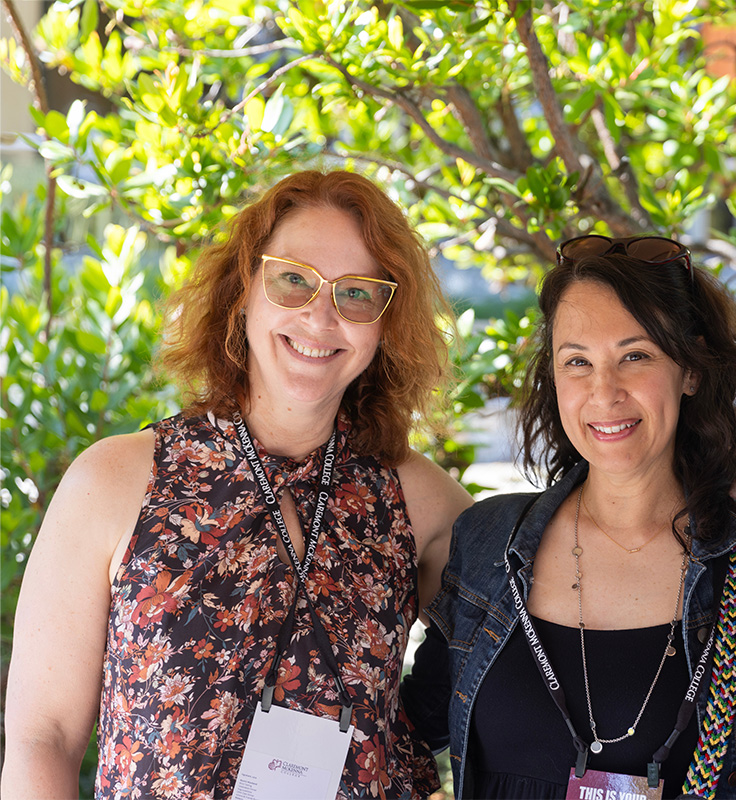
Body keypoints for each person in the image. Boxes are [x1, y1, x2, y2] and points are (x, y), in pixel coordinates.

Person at [1, 170, 473, 799]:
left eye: (358, 293)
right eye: (293, 279)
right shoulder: (114, 482)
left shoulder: (421, 502)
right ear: (243, 290)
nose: (321, 316)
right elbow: (45, 738)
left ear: (386, 325)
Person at [409, 236, 736, 798]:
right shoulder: (489, 543)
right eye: (577, 361)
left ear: (690, 370)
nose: (604, 391)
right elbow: (403, 734)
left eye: (635, 356)